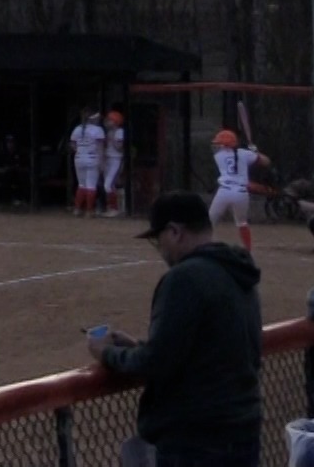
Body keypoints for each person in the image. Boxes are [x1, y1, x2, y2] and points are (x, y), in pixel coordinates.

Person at [88, 191, 263, 467]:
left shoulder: (184, 278)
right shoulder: (237, 270)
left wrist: (107, 353)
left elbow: (155, 363)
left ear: (175, 232)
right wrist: (139, 347)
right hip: (242, 430)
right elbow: (207, 348)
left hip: (197, 441)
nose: (161, 251)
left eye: (159, 241)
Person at [210, 130, 266, 252]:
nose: (217, 145)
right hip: (241, 193)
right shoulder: (245, 154)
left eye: (220, 143)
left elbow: (222, 150)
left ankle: (204, 247)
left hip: (224, 192)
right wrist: (255, 152)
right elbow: (266, 161)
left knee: (209, 221)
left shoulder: (218, 155)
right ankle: (248, 250)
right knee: (242, 222)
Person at [68, 108, 106, 218]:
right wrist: (102, 162)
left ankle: (77, 209)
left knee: (81, 184)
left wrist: (80, 150)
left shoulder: (77, 129)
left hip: (79, 158)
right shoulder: (98, 130)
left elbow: (72, 145)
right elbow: (100, 147)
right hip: (92, 157)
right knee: (91, 185)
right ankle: (89, 210)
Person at [100, 110, 126, 217]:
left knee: (108, 185)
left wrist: (113, 139)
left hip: (116, 158)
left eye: (110, 120)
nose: (107, 122)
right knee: (110, 185)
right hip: (108, 158)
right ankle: (113, 207)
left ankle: (115, 209)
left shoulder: (120, 131)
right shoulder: (109, 132)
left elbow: (119, 148)